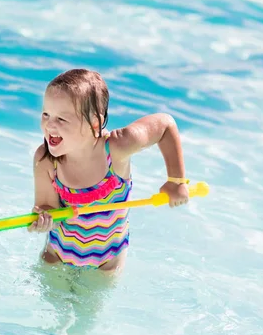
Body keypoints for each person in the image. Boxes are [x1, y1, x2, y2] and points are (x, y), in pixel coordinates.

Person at [28, 68, 190, 273]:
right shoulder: (45, 160)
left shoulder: (116, 149)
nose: (49, 125)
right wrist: (44, 218)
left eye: (62, 119)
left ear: (94, 123)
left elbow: (165, 125)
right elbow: (47, 206)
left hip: (106, 263)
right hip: (57, 255)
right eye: (46, 114)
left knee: (89, 306)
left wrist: (176, 181)